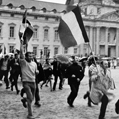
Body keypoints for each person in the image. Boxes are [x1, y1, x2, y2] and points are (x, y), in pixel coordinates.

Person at [19, 40, 39, 119]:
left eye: (32, 56)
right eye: (29, 56)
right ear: (26, 57)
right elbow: (21, 54)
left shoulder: (34, 63)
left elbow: (36, 71)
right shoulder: (23, 63)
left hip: (33, 82)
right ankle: (30, 115)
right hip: (26, 82)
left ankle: (24, 100)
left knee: (31, 99)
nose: (31, 57)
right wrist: (21, 44)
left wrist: (37, 72)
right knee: (30, 98)